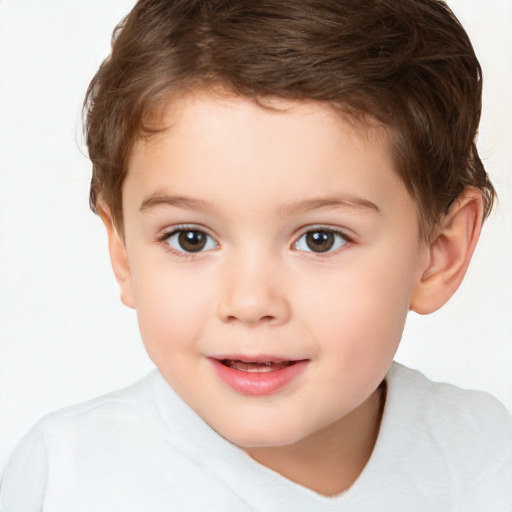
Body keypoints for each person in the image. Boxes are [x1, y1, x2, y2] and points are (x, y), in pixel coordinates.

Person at [1, 0, 511, 510]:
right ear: (125, 252)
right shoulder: (67, 479)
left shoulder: (489, 463)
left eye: (320, 239)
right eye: (190, 238)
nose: (249, 302)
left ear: (439, 253)